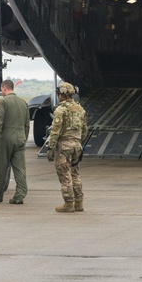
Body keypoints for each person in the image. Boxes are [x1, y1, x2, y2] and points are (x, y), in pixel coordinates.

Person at [45, 81, 88, 213]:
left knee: (65, 175)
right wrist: (78, 142)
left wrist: (50, 148)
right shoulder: (80, 109)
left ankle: (69, 203)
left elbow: (55, 131)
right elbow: (85, 129)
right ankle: (79, 202)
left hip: (64, 146)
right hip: (77, 145)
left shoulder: (61, 109)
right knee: (75, 174)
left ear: (62, 95)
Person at [0, 79, 30, 204]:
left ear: (4, 88)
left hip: (6, 138)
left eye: (1, 89)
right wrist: (24, 138)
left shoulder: (3, 102)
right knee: (20, 168)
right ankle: (20, 195)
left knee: (1, 167)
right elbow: (27, 125)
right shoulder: (23, 103)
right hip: (20, 137)